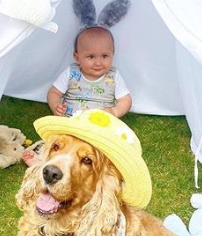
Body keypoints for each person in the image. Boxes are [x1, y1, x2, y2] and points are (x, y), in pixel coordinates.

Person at [22, 24, 131, 165]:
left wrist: (114, 111)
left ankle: (84, 164)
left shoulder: (113, 76)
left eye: (104, 56)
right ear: (77, 57)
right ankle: (42, 160)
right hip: (71, 123)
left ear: (112, 54)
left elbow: (126, 99)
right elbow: (54, 92)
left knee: (101, 147)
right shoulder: (71, 73)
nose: (98, 62)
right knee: (61, 142)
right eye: (91, 56)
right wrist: (56, 106)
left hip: (99, 126)